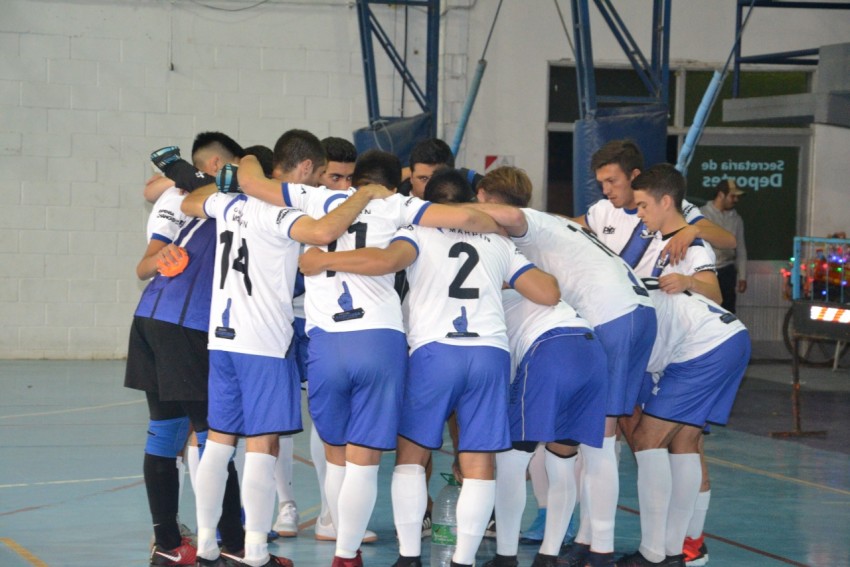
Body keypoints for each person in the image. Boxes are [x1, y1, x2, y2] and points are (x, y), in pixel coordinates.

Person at [239, 149, 504, 567]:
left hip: (327, 341)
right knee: (366, 460)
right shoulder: (399, 207)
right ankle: (347, 556)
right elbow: (470, 221)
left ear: (347, 180)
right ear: (390, 184)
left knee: (335, 454)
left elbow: (251, 182)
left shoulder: (313, 199)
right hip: (380, 340)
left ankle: (336, 532)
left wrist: (251, 156)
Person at [297, 169, 562, 567]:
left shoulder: (416, 233)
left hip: (435, 353)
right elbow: (547, 292)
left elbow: (383, 261)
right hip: (488, 353)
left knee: (411, 456)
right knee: (478, 463)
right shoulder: (497, 242)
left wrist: (322, 261)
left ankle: (408, 557)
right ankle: (464, 560)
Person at [179, 153, 391, 567]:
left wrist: (226, 184)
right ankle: (255, 551)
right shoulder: (278, 214)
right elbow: (328, 228)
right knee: (263, 444)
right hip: (263, 341)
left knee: (219, 441)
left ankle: (207, 544)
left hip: (222, 337)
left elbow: (189, 203)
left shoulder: (226, 203)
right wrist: (363, 193)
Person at [474, 166, 656, 567]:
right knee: (594, 443)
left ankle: (591, 547)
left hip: (607, 317)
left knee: (596, 444)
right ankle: (591, 543)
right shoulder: (555, 234)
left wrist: (442, 211)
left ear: (485, 197)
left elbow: (513, 216)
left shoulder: (530, 224)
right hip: (637, 313)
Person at [125, 138, 246, 566]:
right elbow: (144, 264)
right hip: (181, 323)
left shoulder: (200, 201)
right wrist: (162, 257)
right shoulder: (221, 198)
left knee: (169, 431)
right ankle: (234, 544)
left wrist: (171, 172)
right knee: (214, 435)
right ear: (219, 166)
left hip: (153, 319)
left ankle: (169, 546)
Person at [615, 280, 750, 567]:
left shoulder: (611, 315)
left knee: (647, 440)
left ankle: (653, 552)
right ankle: (674, 551)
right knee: (684, 442)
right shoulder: (626, 291)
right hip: (731, 336)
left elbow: (625, 413)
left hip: (702, 347)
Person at [483, 289, 608, 567]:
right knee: (563, 458)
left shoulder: (490, 303)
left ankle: (506, 557)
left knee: (511, 460)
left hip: (549, 349)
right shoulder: (529, 291)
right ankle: (548, 556)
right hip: (592, 350)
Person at [577, 140, 735, 275]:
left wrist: (694, 230)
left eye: (611, 181)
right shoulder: (602, 210)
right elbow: (567, 226)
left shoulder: (670, 206)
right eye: (601, 183)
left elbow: (729, 241)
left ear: (634, 175)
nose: (605, 190)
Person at [631, 164, 722, 304]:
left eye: (643, 206)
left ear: (666, 202)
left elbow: (716, 297)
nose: (639, 213)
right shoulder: (651, 238)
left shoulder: (694, 246)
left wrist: (689, 282)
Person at [699, 179, 747, 313]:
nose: (736, 199)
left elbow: (741, 249)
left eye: (737, 196)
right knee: (706, 310)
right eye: (733, 196)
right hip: (705, 270)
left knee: (727, 312)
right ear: (721, 195)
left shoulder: (736, 219)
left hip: (727, 270)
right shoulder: (702, 214)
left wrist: (742, 276)